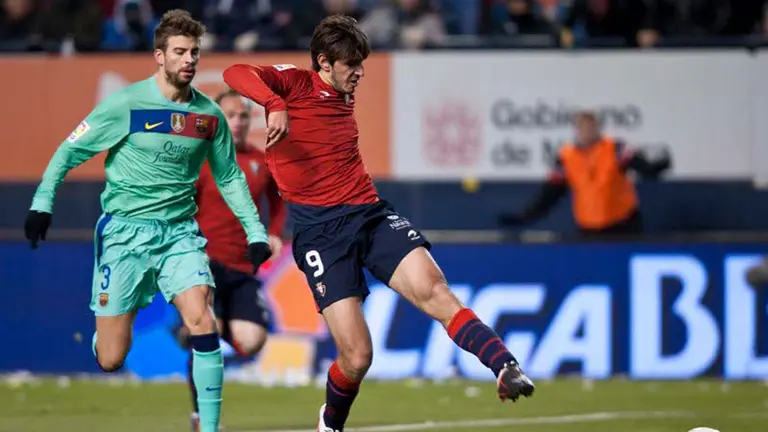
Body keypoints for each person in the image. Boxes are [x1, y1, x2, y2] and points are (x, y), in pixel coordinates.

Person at [222, 15, 535, 432]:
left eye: (361, 63)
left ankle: (505, 366)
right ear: (324, 62)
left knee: (435, 290)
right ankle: (330, 424)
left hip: (369, 214)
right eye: (351, 64)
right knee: (357, 356)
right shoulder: (295, 84)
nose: (360, 72)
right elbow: (234, 72)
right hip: (321, 234)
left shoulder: (342, 95)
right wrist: (274, 104)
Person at [23, 10, 271, 432]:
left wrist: (256, 231)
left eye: (194, 52)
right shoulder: (126, 104)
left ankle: (208, 427)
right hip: (124, 235)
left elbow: (229, 176)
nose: (189, 59)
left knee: (202, 319)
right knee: (111, 358)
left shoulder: (208, 115)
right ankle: (111, 326)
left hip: (180, 235)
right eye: (179, 52)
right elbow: (68, 151)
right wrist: (42, 203)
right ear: (159, 56)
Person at [181, 88, 287, 432]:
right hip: (203, 262)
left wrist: (274, 232)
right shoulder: (200, 160)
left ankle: (192, 330)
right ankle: (202, 419)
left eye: (243, 116)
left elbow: (279, 200)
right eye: (231, 115)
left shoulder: (261, 162)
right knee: (204, 336)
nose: (238, 122)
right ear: (217, 120)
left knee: (252, 340)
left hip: (242, 268)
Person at [498, 111, 670, 240]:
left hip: (623, 224)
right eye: (583, 128)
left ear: (597, 128)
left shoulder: (615, 149)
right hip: (589, 229)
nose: (587, 132)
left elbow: (644, 168)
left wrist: (658, 167)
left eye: (591, 127)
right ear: (577, 131)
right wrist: (522, 217)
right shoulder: (567, 158)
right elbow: (548, 196)